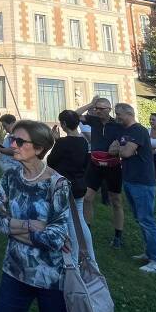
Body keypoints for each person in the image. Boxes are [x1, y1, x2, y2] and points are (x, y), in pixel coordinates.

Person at [0, 121, 72, 312]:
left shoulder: (58, 184)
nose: (12, 145)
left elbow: (56, 238)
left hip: (51, 280)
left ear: (38, 148)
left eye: (19, 141)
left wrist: (13, 227)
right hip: (14, 272)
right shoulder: (10, 177)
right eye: (13, 139)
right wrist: (28, 226)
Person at [109, 103, 156, 274]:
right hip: (130, 179)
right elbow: (113, 149)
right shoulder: (124, 132)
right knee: (140, 218)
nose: (117, 116)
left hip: (142, 181)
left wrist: (125, 150)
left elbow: (125, 153)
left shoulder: (138, 130)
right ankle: (149, 253)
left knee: (146, 220)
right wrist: (125, 149)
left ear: (129, 113)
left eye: (119, 114)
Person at [79, 96, 126, 247]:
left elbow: (129, 136)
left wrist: (119, 145)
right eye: (96, 108)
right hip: (95, 165)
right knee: (87, 198)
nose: (97, 111)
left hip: (113, 166)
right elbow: (73, 115)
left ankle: (118, 236)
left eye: (101, 109)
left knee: (116, 201)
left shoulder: (117, 124)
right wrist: (90, 104)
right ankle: (87, 232)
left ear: (109, 109)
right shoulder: (93, 120)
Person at [49, 109, 96, 263]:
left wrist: (56, 141)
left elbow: (51, 162)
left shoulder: (63, 143)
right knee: (80, 220)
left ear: (63, 124)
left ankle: (74, 260)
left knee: (70, 223)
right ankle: (91, 257)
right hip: (80, 184)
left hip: (66, 187)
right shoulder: (83, 141)